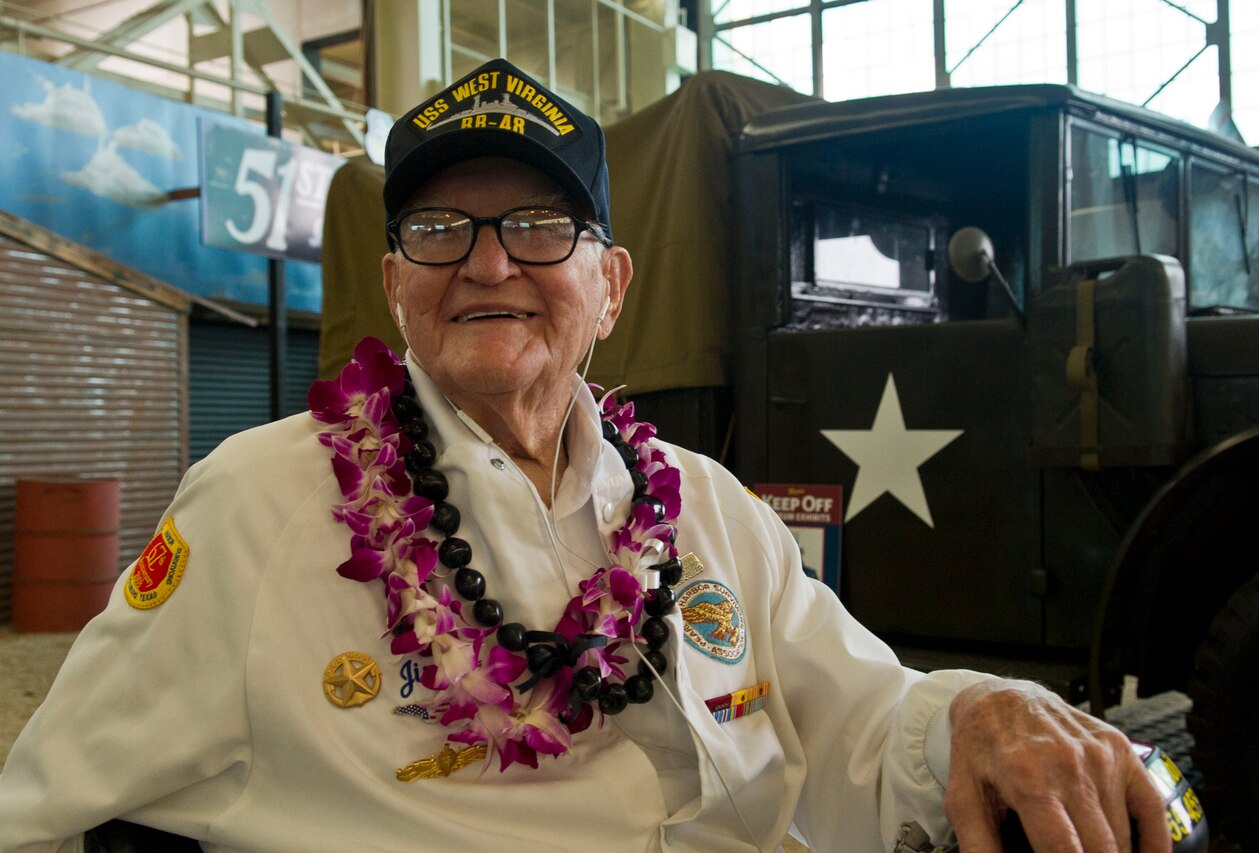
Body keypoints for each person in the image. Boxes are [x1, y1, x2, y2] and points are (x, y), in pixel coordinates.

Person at [0, 58, 1169, 853]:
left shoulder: (704, 505)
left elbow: (858, 715)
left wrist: (977, 710)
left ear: (608, 288)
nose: (489, 264)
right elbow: (42, 802)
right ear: (393, 283)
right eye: (439, 228)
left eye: (540, 226)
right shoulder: (257, 505)